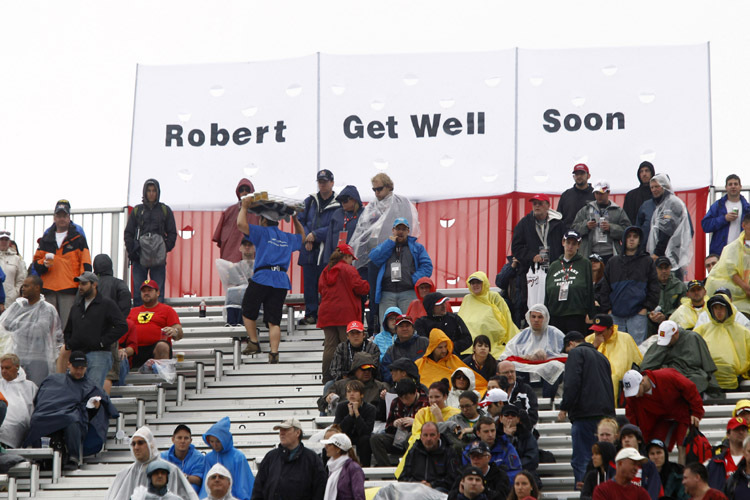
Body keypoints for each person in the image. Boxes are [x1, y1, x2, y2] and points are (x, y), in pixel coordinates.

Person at [349, 172, 420, 334]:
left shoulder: (401, 202)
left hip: (399, 255)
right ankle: (375, 329)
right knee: (375, 296)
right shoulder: (372, 206)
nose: (376, 193)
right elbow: (362, 231)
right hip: (378, 257)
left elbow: (408, 226)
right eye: (374, 189)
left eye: (379, 189)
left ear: (389, 186)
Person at [237, 195, 305, 363]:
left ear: (263, 220)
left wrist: (244, 207)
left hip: (262, 277)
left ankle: (254, 342)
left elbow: (240, 224)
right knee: (273, 320)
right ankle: (274, 354)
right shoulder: (286, 237)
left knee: (247, 309)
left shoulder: (262, 232)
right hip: (281, 280)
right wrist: (295, 218)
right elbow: (302, 238)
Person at [23, 351, 118, 468]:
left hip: (70, 415)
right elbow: (41, 399)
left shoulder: (91, 386)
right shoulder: (52, 380)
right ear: (69, 364)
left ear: (86, 367)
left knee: (72, 420)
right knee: (37, 418)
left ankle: (73, 456)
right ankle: (38, 457)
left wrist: (93, 408)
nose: (78, 371)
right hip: (47, 413)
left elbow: (102, 406)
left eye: (82, 368)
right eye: (76, 367)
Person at [558, 330, 615, 486]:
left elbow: (571, 383)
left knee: (583, 458)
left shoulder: (576, 353)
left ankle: (585, 493)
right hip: (605, 416)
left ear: (570, 344)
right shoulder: (602, 357)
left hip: (584, 416)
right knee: (604, 458)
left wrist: (564, 407)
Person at [62, 272, 128, 389]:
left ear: (94, 284)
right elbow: (68, 330)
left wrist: (102, 342)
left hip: (99, 354)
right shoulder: (76, 306)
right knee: (78, 391)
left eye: (84, 283)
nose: (80, 287)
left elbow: (122, 326)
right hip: (79, 355)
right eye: (79, 284)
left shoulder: (107, 304)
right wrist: (69, 344)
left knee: (92, 392)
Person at [32, 199, 92, 328]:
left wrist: (84, 284)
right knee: (47, 328)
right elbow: (35, 263)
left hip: (69, 289)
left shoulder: (78, 238)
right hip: (48, 289)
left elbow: (86, 263)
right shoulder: (45, 239)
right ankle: (49, 349)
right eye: (58, 215)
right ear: (54, 217)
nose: (61, 219)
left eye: (64, 215)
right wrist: (44, 264)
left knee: (68, 327)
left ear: (69, 217)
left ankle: (66, 349)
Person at [623, 368, 704, 463]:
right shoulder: (633, 399)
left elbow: (690, 388)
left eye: (636, 390)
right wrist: (636, 434)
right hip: (660, 420)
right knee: (656, 447)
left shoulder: (666, 376)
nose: (635, 395)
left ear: (643, 381)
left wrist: (696, 412)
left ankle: (682, 473)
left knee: (682, 445)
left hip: (682, 414)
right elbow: (631, 415)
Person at [318, 244, 371, 381]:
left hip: (327, 313)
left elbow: (320, 289)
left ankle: (327, 377)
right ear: (346, 256)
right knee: (347, 345)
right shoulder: (349, 270)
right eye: (351, 258)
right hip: (345, 313)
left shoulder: (326, 270)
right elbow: (360, 288)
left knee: (330, 345)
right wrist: (367, 284)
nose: (352, 261)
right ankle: (349, 375)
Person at [599, 226, 660, 344]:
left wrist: (646, 308)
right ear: (623, 239)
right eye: (628, 237)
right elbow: (604, 288)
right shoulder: (613, 262)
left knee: (637, 351)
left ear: (640, 240)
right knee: (617, 350)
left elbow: (654, 287)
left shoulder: (647, 261)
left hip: (638, 315)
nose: (632, 240)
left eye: (635, 237)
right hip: (615, 315)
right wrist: (608, 310)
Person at [0, 275, 63, 385]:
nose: (23, 288)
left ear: (37, 288)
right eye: (23, 285)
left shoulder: (46, 309)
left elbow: (40, 330)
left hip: (38, 358)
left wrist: (18, 324)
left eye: (26, 286)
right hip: (18, 356)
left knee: (36, 390)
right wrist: (28, 325)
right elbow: (6, 323)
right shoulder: (18, 306)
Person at [105, 426, 198, 500]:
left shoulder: (172, 470)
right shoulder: (124, 474)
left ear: (151, 444)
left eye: (140, 443)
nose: (136, 447)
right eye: (133, 444)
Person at [124, 179, 178, 306]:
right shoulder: (137, 210)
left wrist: (164, 248)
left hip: (158, 257)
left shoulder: (165, 210)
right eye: (149, 190)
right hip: (139, 256)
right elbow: (128, 233)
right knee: (138, 293)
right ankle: (138, 321)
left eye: (154, 190)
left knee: (158, 292)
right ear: (145, 192)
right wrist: (132, 251)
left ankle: (157, 319)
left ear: (158, 192)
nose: (151, 193)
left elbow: (172, 233)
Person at [297, 169, 340, 325]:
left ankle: (327, 314)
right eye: (320, 182)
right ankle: (311, 314)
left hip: (328, 252)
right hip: (309, 251)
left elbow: (337, 226)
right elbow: (300, 221)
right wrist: (307, 237)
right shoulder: (309, 201)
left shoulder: (339, 203)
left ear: (332, 183)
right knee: (309, 284)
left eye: (325, 181)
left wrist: (316, 234)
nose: (322, 185)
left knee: (328, 284)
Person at [369, 216, 433, 315]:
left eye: (404, 229)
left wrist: (413, 279)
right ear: (393, 230)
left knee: (409, 323)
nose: (400, 232)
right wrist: (390, 243)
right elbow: (374, 257)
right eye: (398, 229)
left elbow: (427, 266)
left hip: (408, 292)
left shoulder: (418, 247)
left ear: (408, 231)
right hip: (387, 293)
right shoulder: (386, 245)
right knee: (387, 325)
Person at [251, 417, 326, 500]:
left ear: (297, 433)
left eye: (286, 430)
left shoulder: (312, 459)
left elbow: (319, 490)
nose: (281, 433)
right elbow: (258, 489)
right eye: (280, 430)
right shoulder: (270, 457)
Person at [500, 304, 565, 399]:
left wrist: (547, 356)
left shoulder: (555, 333)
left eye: (540, 317)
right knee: (512, 367)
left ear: (546, 318)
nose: (536, 320)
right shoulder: (522, 335)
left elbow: (565, 353)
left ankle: (547, 400)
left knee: (555, 367)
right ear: (529, 318)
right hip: (526, 368)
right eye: (533, 317)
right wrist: (527, 357)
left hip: (547, 366)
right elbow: (508, 354)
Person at [640, 320, 720, 396]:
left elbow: (706, 365)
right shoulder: (661, 345)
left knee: (697, 379)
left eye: (669, 340)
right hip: (668, 376)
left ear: (676, 333)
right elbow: (647, 365)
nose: (667, 343)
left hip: (691, 375)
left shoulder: (693, 338)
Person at [695, 293, 750, 389]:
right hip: (708, 378)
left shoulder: (742, 331)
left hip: (736, 378)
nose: (718, 311)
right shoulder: (702, 330)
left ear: (728, 308)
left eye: (721, 307)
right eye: (715, 308)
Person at [645, 173, 694, 280]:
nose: (654, 190)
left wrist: (657, 253)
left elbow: (666, 231)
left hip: (670, 257)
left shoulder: (671, 203)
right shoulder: (663, 204)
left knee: (673, 287)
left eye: (657, 186)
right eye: (652, 187)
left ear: (665, 186)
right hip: (667, 256)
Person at [458, 272, 519, 357]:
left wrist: (511, 338)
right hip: (467, 345)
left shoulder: (493, 296)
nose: (475, 285)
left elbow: (505, 316)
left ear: (484, 283)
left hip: (490, 342)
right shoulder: (467, 299)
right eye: (473, 283)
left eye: (478, 282)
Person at [584, 314, 642, 402]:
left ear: (610, 329)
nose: (597, 334)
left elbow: (638, 360)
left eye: (601, 332)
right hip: (593, 375)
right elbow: (582, 360)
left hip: (618, 380)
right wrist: (594, 346)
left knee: (613, 378)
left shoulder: (625, 338)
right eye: (596, 331)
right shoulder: (589, 339)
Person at [371, 377, 428, 466]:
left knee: (411, 437)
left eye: (407, 398)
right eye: (402, 398)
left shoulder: (426, 402)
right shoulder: (396, 402)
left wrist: (416, 423)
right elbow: (387, 427)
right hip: (397, 438)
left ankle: (411, 468)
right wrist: (394, 424)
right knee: (375, 439)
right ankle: (385, 469)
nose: (405, 401)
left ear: (415, 392)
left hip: (417, 438)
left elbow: (431, 426)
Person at [127, 280, 182, 369]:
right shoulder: (132, 311)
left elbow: (179, 332)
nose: (146, 293)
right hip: (135, 349)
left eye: (150, 290)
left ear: (158, 293)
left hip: (156, 349)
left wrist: (174, 331)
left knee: (162, 345)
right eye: (144, 291)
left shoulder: (167, 310)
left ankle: (160, 378)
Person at [572, 180, 632, 262]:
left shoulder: (618, 211)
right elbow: (573, 229)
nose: (599, 196)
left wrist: (611, 228)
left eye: (601, 193)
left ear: (608, 192)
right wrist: (586, 226)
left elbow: (628, 232)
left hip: (612, 254)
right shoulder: (586, 209)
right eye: (596, 193)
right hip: (589, 253)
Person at [199, 416, 254, 500]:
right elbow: (205, 485)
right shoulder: (208, 457)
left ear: (225, 439)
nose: (214, 445)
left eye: (218, 441)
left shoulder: (238, 457)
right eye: (212, 441)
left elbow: (244, 485)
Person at [416, 329, 487, 393]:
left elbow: (472, 378)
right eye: (440, 347)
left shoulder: (453, 359)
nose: (444, 350)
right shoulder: (420, 364)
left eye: (445, 346)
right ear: (432, 348)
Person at [705, 213, 750, 315]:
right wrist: (746, 288)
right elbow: (731, 272)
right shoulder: (732, 248)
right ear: (744, 225)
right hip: (736, 300)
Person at [399, 421, 461, 493]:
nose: (428, 439)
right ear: (421, 437)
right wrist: (418, 484)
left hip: (440, 492)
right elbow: (403, 478)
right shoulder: (414, 451)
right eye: (425, 435)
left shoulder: (449, 452)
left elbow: (454, 479)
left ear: (438, 436)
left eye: (432, 435)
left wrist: (432, 485)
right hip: (416, 490)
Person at [511, 193, 565, 276]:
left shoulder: (558, 224)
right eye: (534, 204)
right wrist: (532, 256)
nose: (537, 206)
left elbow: (565, 244)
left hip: (556, 269)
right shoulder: (524, 224)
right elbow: (516, 248)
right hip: (532, 272)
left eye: (540, 203)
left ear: (548, 206)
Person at [321, 352, 388, 414]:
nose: (367, 372)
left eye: (370, 369)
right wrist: (327, 398)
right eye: (364, 369)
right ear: (355, 369)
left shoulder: (381, 387)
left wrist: (385, 399)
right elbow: (321, 406)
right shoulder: (339, 385)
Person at [462, 417, 523, 483]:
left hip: (502, 487)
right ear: (478, 433)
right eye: (486, 432)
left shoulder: (506, 448)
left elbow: (515, 472)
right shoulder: (469, 452)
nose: (490, 435)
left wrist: (499, 482)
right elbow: (466, 474)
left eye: (492, 431)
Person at [702, 174, 750, 257]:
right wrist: (724, 219)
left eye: (735, 184)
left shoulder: (747, 208)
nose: (733, 186)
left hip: (742, 253)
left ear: (740, 187)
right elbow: (705, 225)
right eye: (730, 184)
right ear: (726, 187)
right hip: (721, 253)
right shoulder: (718, 206)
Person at [212, 178, 258, 262]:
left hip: (252, 258)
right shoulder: (229, 211)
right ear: (238, 192)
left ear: (251, 191)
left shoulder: (259, 211)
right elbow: (218, 237)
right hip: (231, 258)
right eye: (241, 189)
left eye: (247, 189)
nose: (244, 192)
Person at [333, 379, 376, 467]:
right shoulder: (341, 407)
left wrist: (357, 413)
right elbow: (338, 429)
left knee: (365, 440)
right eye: (349, 392)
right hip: (345, 436)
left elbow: (367, 431)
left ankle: (365, 469)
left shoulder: (370, 409)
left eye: (355, 391)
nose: (351, 394)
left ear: (362, 394)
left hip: (361, 438)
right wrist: (350, 415)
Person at [0, 354, 37, 448]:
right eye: (2, 368)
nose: (4, 371)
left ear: (17, 367)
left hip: (18, 426)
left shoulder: (29, 386)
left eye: (7, 368)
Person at [380, 314, 430, 383]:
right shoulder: (391, 351)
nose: (405, 329)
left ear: (413, 328)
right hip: (400, 386)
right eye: (401, 326)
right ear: (396, 330)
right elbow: (386, 372)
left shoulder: (424, 342)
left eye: (407, 326)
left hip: (425, 381)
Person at [327, 320, 380, 385]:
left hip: (367, 381)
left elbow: (375, 368)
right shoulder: (341, 347)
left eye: (358, 332)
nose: (355, 336)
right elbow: (334, 370)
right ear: (347, 336)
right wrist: (346, 378)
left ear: (364, 335)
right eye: (352, 333)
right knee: (328, 385)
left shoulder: (373, 347)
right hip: (345, 381)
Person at [498, 404, 539, 484]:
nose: (510, 417)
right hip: (501, 472)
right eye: (506, 415)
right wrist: (507, 437)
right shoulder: (494, 434)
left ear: (518, 419)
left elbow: (532, 459)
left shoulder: (527, 435)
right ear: (501, 418)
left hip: (522, 470)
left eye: (513, 415)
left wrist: (515, 466)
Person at [647, 256, 687, 335]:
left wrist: (666, 316)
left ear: (670, 268)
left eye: (666, 268)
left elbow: (684, 306)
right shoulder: (648, 285)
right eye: (660, 268)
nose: (664, 271)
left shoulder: (679, 285)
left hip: (672, 321)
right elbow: (642, 304)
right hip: (652, 323)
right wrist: (650, 314)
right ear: (655, 270)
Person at [160, 424, 205, 494]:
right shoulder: (163, 457)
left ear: (191, 440)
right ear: (173, 439)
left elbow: (198, 480)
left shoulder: (198, 457)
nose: (182, 441)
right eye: (179, 438)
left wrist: (184, 477)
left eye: (186, 438)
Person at [320, 432, 365, 500]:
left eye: (330, 444)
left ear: (338, 449)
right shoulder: (331, 467)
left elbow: (359, 496)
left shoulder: (353, 468)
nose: (326, 446)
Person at [708, 417, 749, 491]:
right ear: (728, 434)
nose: (741, 432)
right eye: (737, 429)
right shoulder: (715, 462)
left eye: (744, 429)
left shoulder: (748, 459)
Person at [496, 361, 539, 428]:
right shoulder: (494, 390)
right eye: (506, 372)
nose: (510, 374)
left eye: (512, 371)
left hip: (523, 431)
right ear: (498, 375)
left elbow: (533, 417)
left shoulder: (526, 390)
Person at [557, 163, 595, 229]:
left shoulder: (595, 194)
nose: (579, 176)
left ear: (588, 176)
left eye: (582, 174)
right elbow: (558, 217)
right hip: (569, 236)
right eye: (577, 174)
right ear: (573, 177)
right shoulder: (566, 195)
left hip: (589, 236)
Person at [624, 161, 656, 227]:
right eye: (641, 171)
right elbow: (626, 220)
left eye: (647, 171)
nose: (644, 174)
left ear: (652, 173)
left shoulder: (657, 194)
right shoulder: (630, 196)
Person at [0, 229, 26, 308]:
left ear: (9, 242)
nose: (4, 242)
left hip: (10, 300)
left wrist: (15, 293)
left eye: (6, 240)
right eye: (1, 239)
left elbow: (21, 279)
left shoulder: (16, 259)